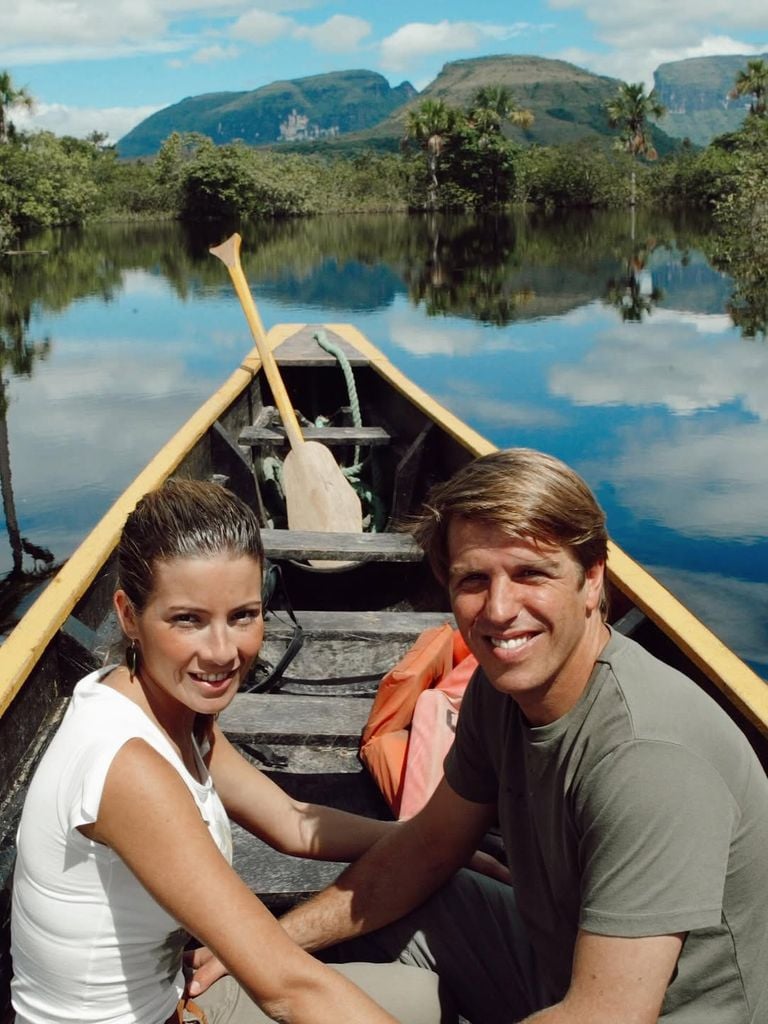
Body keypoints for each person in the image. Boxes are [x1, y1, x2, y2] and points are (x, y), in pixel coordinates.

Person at [188, 448, 768, 1023]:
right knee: (434, 886)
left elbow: (606, 1016)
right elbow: (430, 846)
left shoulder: (648, 760)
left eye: (530, 574)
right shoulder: (503, 688)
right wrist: (267, 946)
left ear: (592, 581)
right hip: (558, 962)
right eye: (473, 579)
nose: (497, 609)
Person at [10, 478, 445, 1024]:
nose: (223, 652)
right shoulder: (127, 767)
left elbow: (289, 822)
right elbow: (287, 989)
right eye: (188, 619)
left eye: (243, 615)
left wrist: (430, 839)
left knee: (431, 995)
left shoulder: (158, 705)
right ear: (127, 616)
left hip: (172, 998)